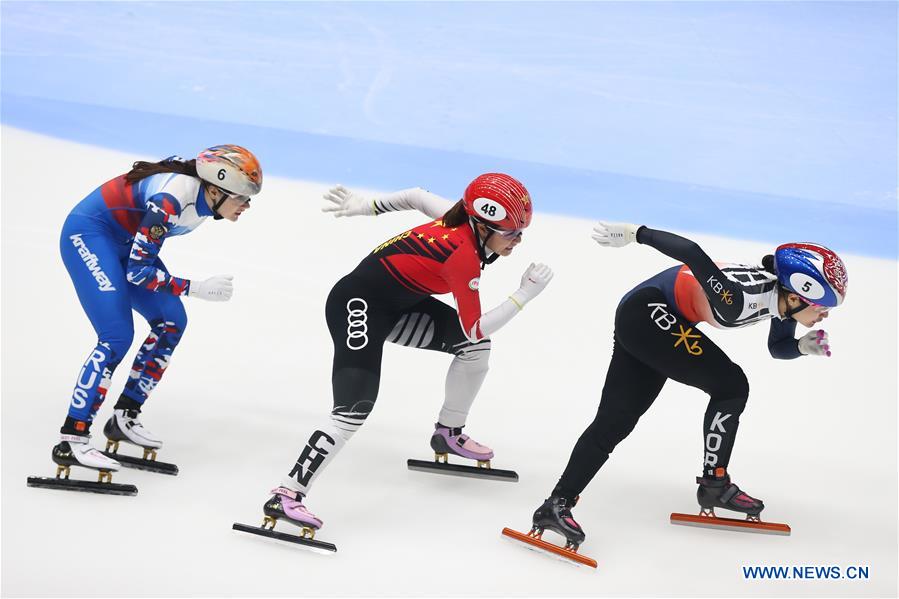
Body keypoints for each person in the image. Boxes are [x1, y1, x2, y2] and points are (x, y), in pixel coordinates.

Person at [259, 173, 553, 536]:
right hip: (357, 307)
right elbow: (475, 325)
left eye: (521, 232)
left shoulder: (456, 215)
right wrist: (524, 294)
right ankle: (286, 493)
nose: (518, 241)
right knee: (353, 409)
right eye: (511, 233)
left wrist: (365, 207)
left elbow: (415, 195)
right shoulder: (462, 257)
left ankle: (448, 432)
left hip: (397, 308)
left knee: (474, 351)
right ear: (482, 225)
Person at [529, 221, 847, 550]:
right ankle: (715, 484)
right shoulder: (738, 299)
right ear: (796, 297)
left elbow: (777, 348)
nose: (825, 315)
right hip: (648, 312)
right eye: (823, 307)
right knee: (731, 385)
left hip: (650, 315)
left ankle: (556, 505)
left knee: (615, 421)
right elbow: (692, 253)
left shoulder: (781, 302)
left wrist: (801, 347)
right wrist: (635, 233)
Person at [53, 145, 262, 481]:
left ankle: (124, 417)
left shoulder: (203, 203)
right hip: (89, 236)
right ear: (215, 188)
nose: (248, 205)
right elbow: (138, 273)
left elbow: (141, 259)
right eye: (242, 196)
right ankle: (72, 438)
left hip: (123, 242)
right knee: (116, 337)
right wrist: (196, 287)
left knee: (171, 322)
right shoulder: (171, 199)